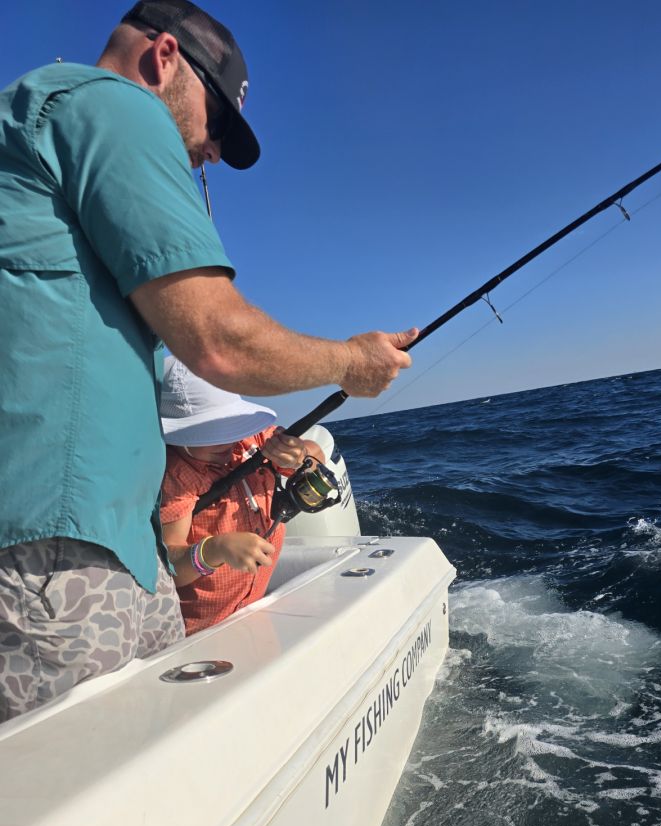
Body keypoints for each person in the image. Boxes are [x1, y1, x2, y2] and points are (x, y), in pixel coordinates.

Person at [0, 0, 416, 721]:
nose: (213, 150)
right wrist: (350, 362)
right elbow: (218, 341)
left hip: (109, 540)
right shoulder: (112, 105)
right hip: (58, 540)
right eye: (216, 119)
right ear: (163, 58)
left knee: (153, 742)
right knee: (107, 766)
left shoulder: (40, 119)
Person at [159, 357, 324, 635]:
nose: (227, 439)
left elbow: (315, 455)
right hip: (199, 631)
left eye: (231, 424)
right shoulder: (178, 476)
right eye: (209, 432)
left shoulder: (254, 439)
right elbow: (168, 566)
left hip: (254, 609)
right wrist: (215, 549)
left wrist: (300, 455)